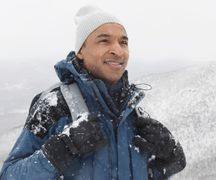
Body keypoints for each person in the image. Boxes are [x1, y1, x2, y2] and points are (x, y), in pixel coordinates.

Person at [0, 5, 186, 180]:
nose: (118, 50)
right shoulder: (55, 106)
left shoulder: (134, 112)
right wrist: (62, 148)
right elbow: (9, 175)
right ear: (81, 50)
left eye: (123, 42)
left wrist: (170, 158)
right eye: (104, 41)